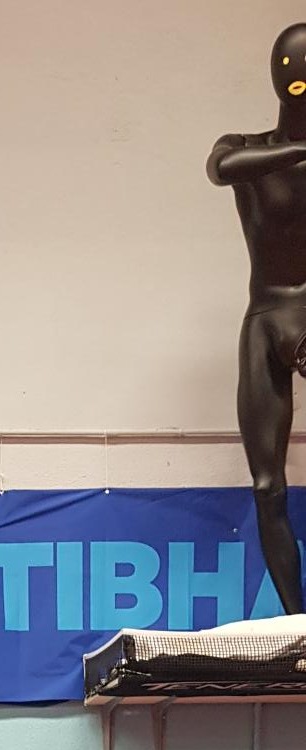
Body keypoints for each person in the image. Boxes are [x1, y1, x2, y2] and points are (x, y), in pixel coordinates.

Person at [208, 22, 306, 612]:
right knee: (267, 486)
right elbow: (221, 168)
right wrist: (298, 150)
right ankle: (300, 624)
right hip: (265, 317)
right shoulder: (245, 146)